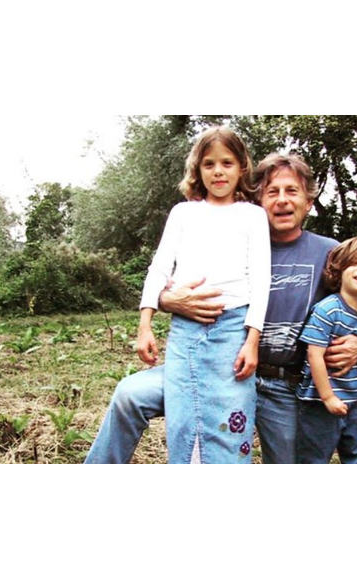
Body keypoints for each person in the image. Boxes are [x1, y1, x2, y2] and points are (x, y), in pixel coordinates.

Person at [85, 153, 357, 464]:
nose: (282, 201)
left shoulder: (330, 252)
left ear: (309, 201)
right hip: (217, 367)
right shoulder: (229, 238)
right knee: (131, 395)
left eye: (292, 191)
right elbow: (170, 277)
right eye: (272, 192)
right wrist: (168, 300)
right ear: (257, 199)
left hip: (281, 386)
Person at [136, 126, 270, 463]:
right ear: (198, 169)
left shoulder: (253, 216)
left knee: (230, 419)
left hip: (233, 329)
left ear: (242, 167)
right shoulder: (183, 213)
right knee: (185, 416)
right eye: (209, 164)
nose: (218, 171)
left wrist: (252, 340)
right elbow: (160, 268)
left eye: (227, 162)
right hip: (185, 331)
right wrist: (145, 324)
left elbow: (261, 281)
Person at [296, 237, 357, 464]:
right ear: (338, 273)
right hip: (318, 404)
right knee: (313, 458)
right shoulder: (327, 310)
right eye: (354, 263)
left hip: (355, 402)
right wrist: (328, 397)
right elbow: (314, 354)